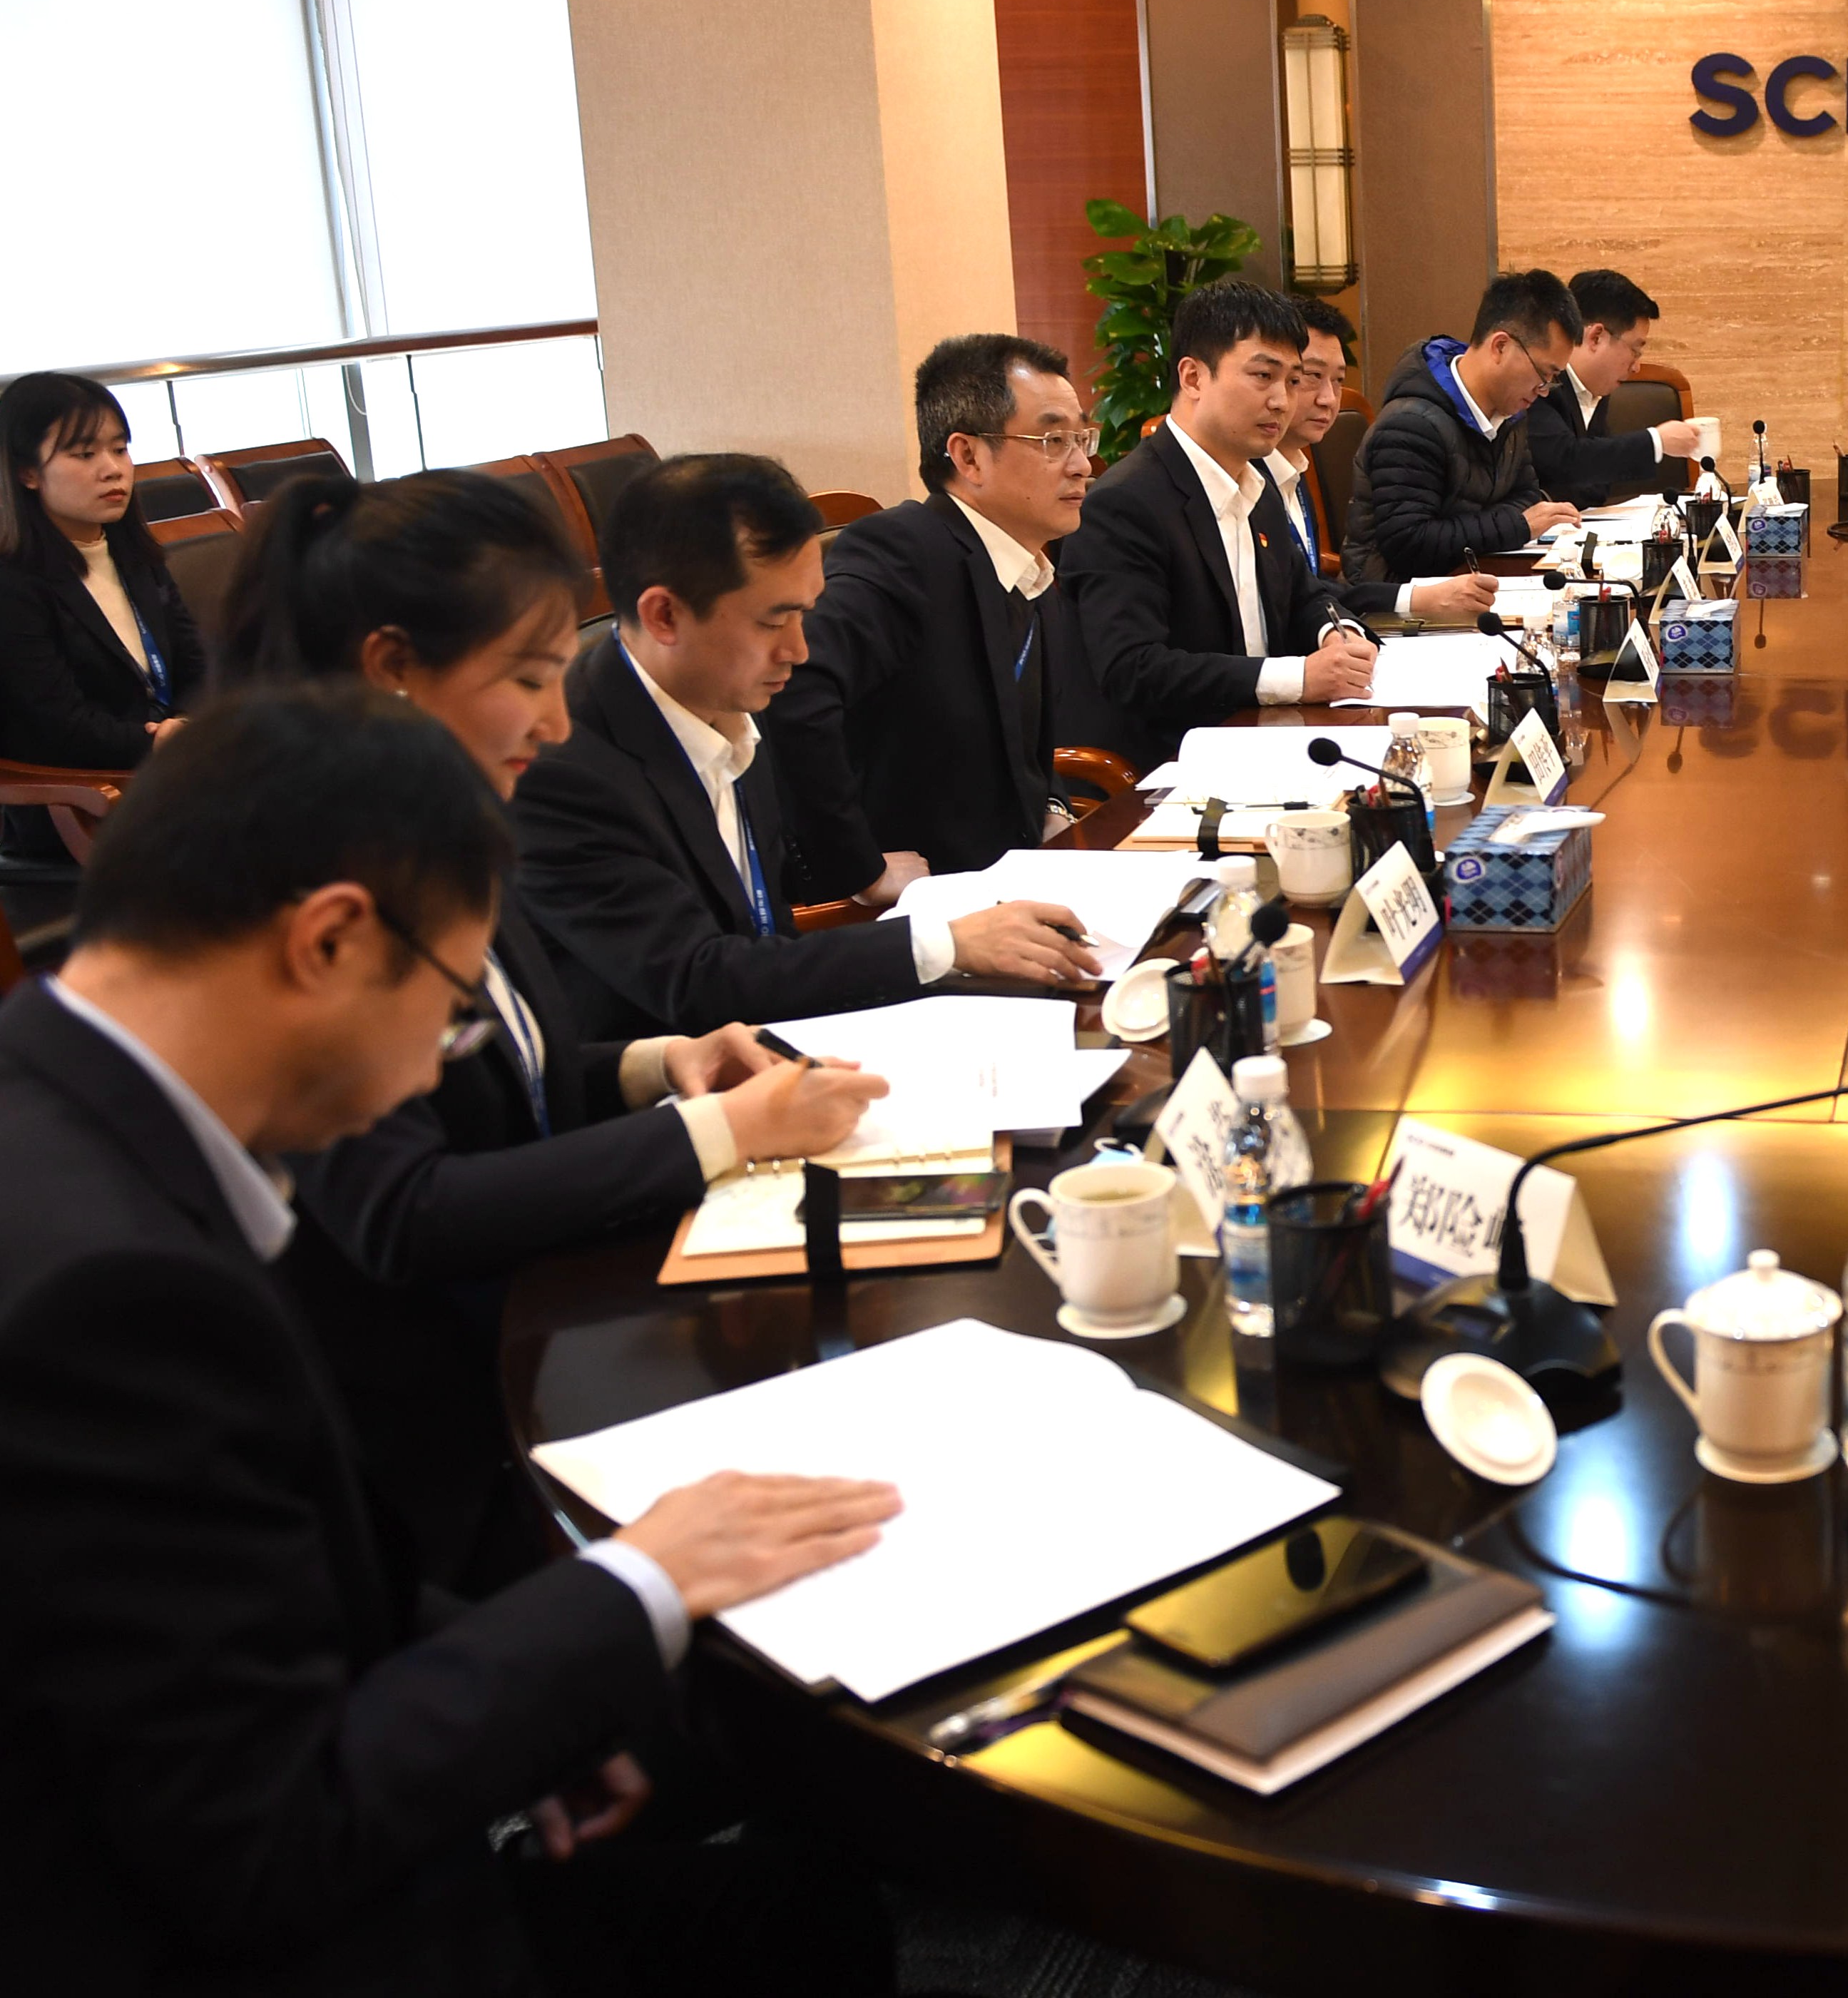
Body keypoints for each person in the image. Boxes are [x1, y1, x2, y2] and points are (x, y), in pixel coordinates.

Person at [0, 683, 903, 1996]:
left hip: (228, 1797)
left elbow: (258, 1590)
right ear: (327, 941)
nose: (438, 1070)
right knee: (802, 1920)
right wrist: (636, 1584)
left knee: (783, 1883)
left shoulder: (54, 1082)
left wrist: (533, 1688)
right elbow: (267, 1842)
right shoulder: (111, 1298)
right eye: (453, 1016)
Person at [223, 469, 885, 1583]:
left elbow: (500, 1069)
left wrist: (655, 1064)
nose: (559, 718)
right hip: (434, 1434)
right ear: (392, 669)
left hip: (542, 1314)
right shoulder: (316, 883)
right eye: (529, 677)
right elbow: (403, 1208)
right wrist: (721, 1130)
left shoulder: (448, 820)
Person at [514, 454, 1103, 1041]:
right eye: (774, 622)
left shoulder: (730, 701)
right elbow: (697, 979)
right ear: (664, 615)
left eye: (805, 613)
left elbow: (765, 937)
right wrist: (943, 943)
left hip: (774, 1040)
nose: (798, 650)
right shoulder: (562, 770)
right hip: (665, 1076)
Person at [761, 332, 1093, 902]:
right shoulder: (901, 552)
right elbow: (793, 684)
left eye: (1081, 437)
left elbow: (1020, 738)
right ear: (968, 457)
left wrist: (1053, 807)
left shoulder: (1027, 563)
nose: (1082, 464)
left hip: (1016, 879)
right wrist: (858, 868)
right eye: (1053, 440)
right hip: (933, 902)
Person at [1071, 282, 1379, 767]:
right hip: (1182, 762)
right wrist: (1297, 679)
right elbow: (1133, 668)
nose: (1282, 401)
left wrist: (1336, 634)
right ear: (1193, 377)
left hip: (1272, 738)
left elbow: (1304, 594)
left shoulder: (1256, 484)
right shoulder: (1126, 504)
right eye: (1263, 376)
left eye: (1292, 381)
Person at [0, 370, 203, 777]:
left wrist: (187, 724)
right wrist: (164, 742)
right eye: (85, 454)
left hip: (177, 767)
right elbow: (60, 727)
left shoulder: (135, 556)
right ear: (27, 473)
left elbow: (198, 666)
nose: (113, 469)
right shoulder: (13, 583)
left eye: (120, 449)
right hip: (88, 789)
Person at [1266, 294, 1496, 627]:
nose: (1329, 399)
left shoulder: (1294, 469)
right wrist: (1415, 599)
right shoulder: (1251, 479)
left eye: (1339, 380)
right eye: (1312, 376)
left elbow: (1310, 590)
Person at [1350, 269, 1586, 582]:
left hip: (1476, 577)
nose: (1544, 390)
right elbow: (1410, 544)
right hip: (1400, 596)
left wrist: (1501, 524)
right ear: (1500, 347)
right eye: (1544, 374)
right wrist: (1516, 526)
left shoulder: (1511, 413)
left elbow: (1527, 494)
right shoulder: (1410, 424)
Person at [1523, 267, 1704, 507]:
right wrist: (1656, 441)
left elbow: (1594, 489)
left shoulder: (1597, 388)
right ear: (1596, 337)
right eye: (1635, 350)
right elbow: (1563, 461)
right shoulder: (1541, 382)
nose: (1636, 366)